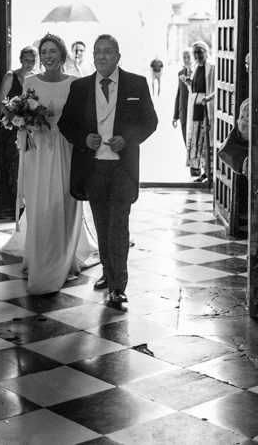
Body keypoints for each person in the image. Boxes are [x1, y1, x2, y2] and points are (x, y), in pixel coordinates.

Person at [58, 34, 158, 311]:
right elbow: (66, 124)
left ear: (117, 56)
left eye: (107, 52)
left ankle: (118, 286)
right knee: (102, 224)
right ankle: (108, 271)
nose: (101, 56)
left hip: (122, 168)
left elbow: (150, 121)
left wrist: (127, 138)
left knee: (119, 225)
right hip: (93, 168)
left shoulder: (136, 83)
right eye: (97, 52)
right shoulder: (80, 87)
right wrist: (83, 139)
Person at [0, 34, 98, 295]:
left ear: (62, 55)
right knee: (40, 202)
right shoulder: (30, 82)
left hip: (66, 149)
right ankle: (39, 255)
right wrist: (21, 119)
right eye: (44, 51)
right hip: (38, 150)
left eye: (53, 51)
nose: (48, 56)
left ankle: (64, 256)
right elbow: (19, 111)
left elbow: (83, 119)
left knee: (63, 201)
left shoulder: (75, 83)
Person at [0, 46, 37, 220]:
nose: (29, 64)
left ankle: (25, 204)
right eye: (26, 60)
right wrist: (12, 116)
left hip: (29, 127)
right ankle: (10, 206)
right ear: (20, 60)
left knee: (27, 165)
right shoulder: (11, 76)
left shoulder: (36, 77)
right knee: (13, 163)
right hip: (12, 126)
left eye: (32, 61)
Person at [186, 41, 215, 183]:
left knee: (207, 142)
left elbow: (218, 87)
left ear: (206, 52)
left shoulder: (212, 67)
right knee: (198, 142)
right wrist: (188, 83)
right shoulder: (195, 67)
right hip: (196, 109)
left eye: (200, 52)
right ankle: (204, 171)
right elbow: (194, 88)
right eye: (195, 53)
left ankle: (211, 172)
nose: (198, 55)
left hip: (207, 108)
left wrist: (209, 98)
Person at [172, 48, 196, 174]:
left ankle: (197, 169)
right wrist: (175, 115)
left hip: (194, 112)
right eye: (184, 57)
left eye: (188, 57)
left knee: (194, 141)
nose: (186, 60)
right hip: (183, 113)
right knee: (186, 142)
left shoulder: (197, 72)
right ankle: (193, 168)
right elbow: (179, 93)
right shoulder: (180, 72)